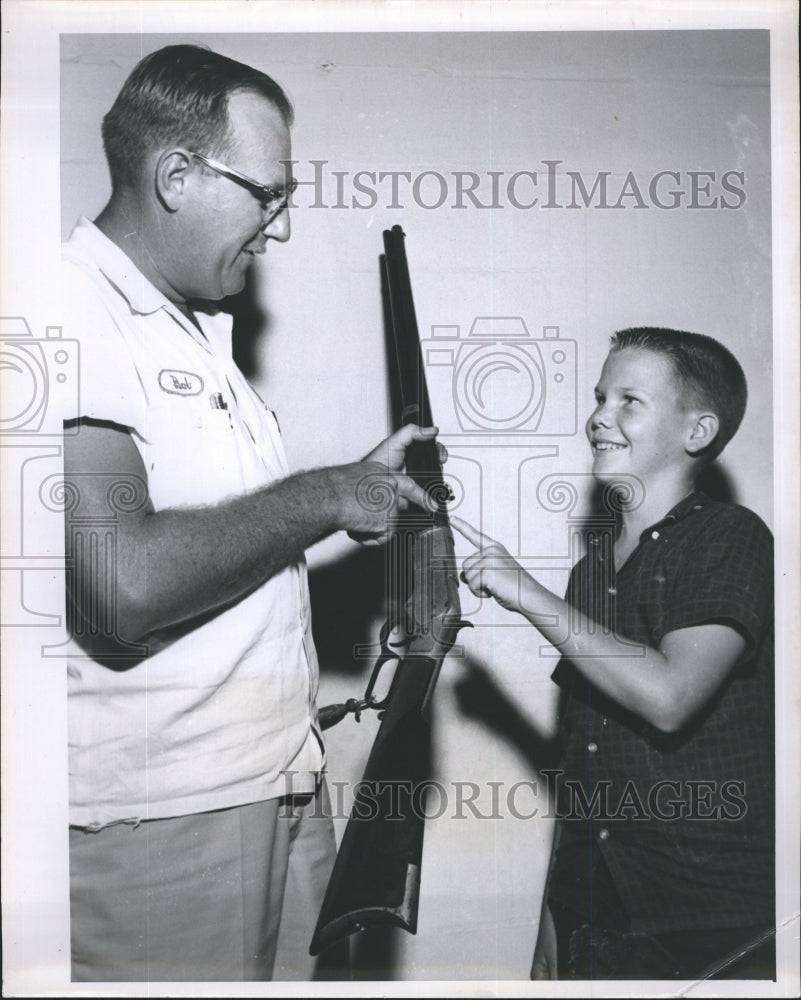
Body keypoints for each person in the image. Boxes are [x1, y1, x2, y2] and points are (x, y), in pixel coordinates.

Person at [61, 44, 439, 983]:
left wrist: (352, 483)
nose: (279, 226)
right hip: (171, 818)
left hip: (268, 780)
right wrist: (321, 496)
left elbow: (226, 537)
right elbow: (121, 584)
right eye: (268, 194)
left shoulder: (185, 325)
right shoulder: (68, 313)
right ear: (177, 176)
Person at [452, 327, 774, 980]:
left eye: (629, 400)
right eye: (600, 397)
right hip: (593, 900)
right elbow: (582, 755)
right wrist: (553, 905)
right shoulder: (588, 573)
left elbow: (668, 698)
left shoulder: (728, 537)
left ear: (696, 431)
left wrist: (524, 593)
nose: (598, 416)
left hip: (705, 911)